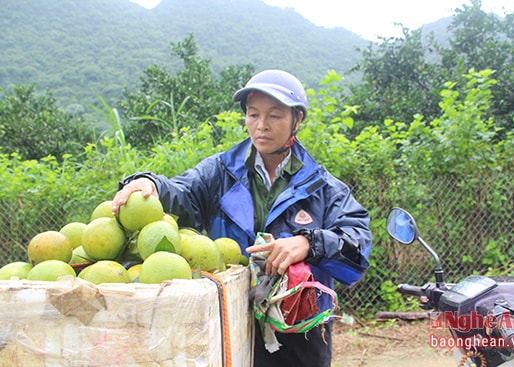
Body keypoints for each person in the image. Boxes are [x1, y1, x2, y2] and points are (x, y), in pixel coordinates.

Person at [111, 69, 372, 367]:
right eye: (253, 114)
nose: (261, 126)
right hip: (230, 322)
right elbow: (183, 192)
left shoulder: (322, 186)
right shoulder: (221, 172)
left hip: (299, 334)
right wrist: (151, 184)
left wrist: (308, 243)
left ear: (296, 120)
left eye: (274, 116)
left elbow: (358, 245)